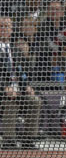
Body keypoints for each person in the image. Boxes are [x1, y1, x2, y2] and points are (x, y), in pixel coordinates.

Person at [0, 16, 41, 150]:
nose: (4, 29)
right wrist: (5, 88)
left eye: (7, 26)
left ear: (11, 30)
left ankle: (28, 139)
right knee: (11, 100)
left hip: (18, 89)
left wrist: (27, 86)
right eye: (1, 26)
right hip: (3, 92)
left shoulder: (16, 50)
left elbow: (22, 72)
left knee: (34, 100)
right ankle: (9, 140)